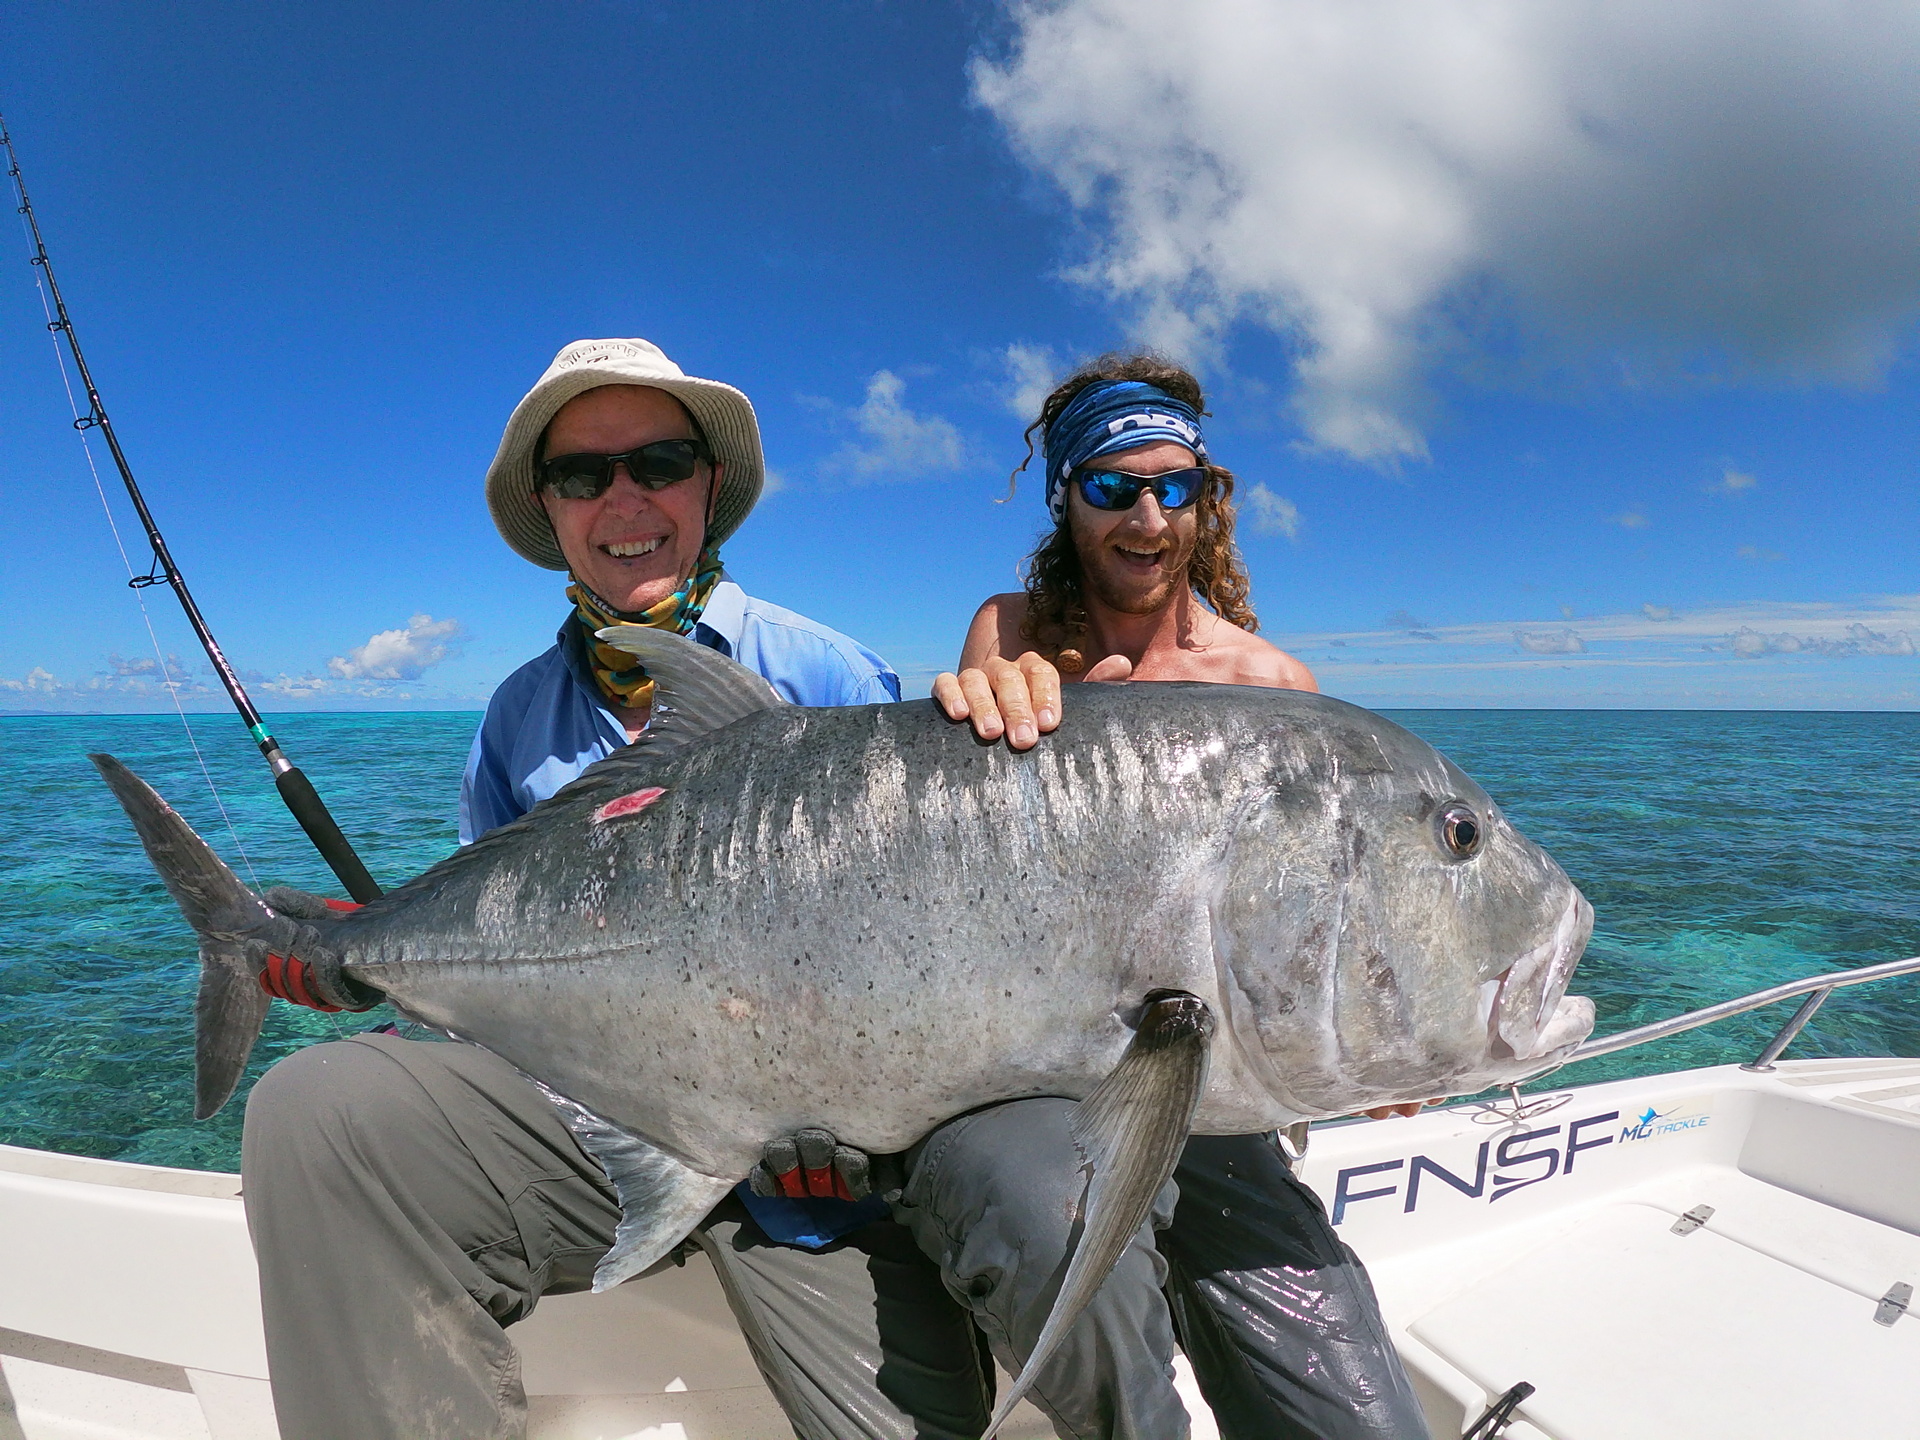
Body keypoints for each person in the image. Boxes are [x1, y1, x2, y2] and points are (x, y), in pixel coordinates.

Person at [241, 337, 1059, 1440]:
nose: (623, 498)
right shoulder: (515, 719)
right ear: (551, 506)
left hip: (802, 1187)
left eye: (658, 462)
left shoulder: (831, 678)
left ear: (707, 485)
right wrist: (369, 962)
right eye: (584, 474)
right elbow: (499, 966)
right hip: (591, 1127)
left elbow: (924, 952)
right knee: (317, 1107)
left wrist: (854, 1127)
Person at [888, 352, 1431, 1439]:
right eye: (1110, 487)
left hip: (1226, 1113)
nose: (1145, 514)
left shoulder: (1276, 691)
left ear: (1205, 499)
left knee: (1358, 1415)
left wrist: (1393, 1036)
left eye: (1171, 486)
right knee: (1091, 1302)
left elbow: (1324, 919)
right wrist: (983, 703)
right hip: (1050, 1083)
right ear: (1066, 498)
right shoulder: (1013, 634)